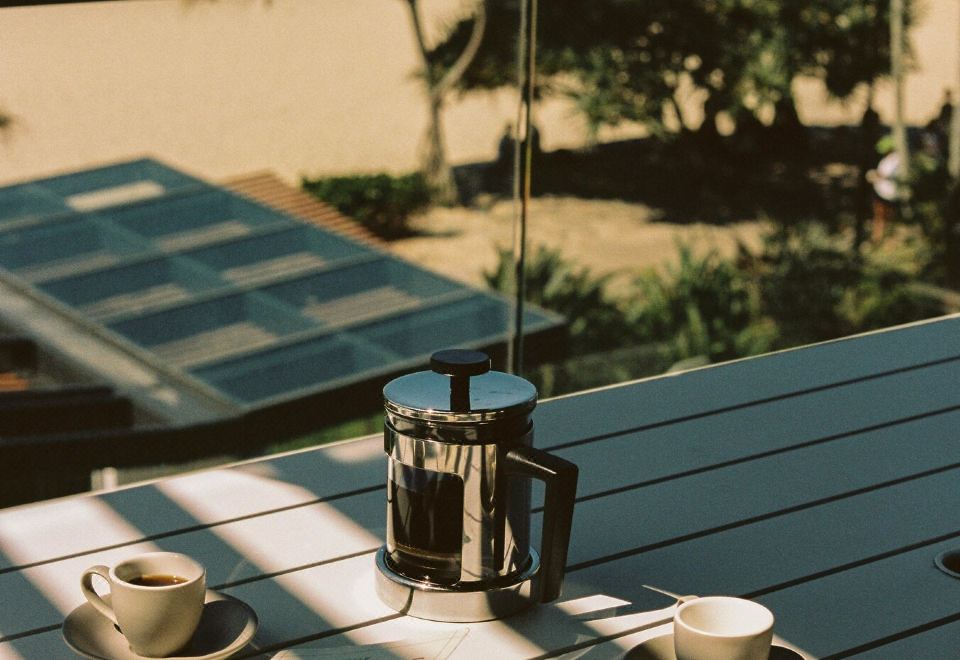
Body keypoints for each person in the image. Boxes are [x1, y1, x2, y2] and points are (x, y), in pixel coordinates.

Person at [865, 137, 902, 242]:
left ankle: (879, 238)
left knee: (881, 216)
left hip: (886, 193)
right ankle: (881, 237)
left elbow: (885, 175)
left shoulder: (895, 159)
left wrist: (873, 176)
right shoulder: (889, 159)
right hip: (884, 192)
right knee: (883, 216)